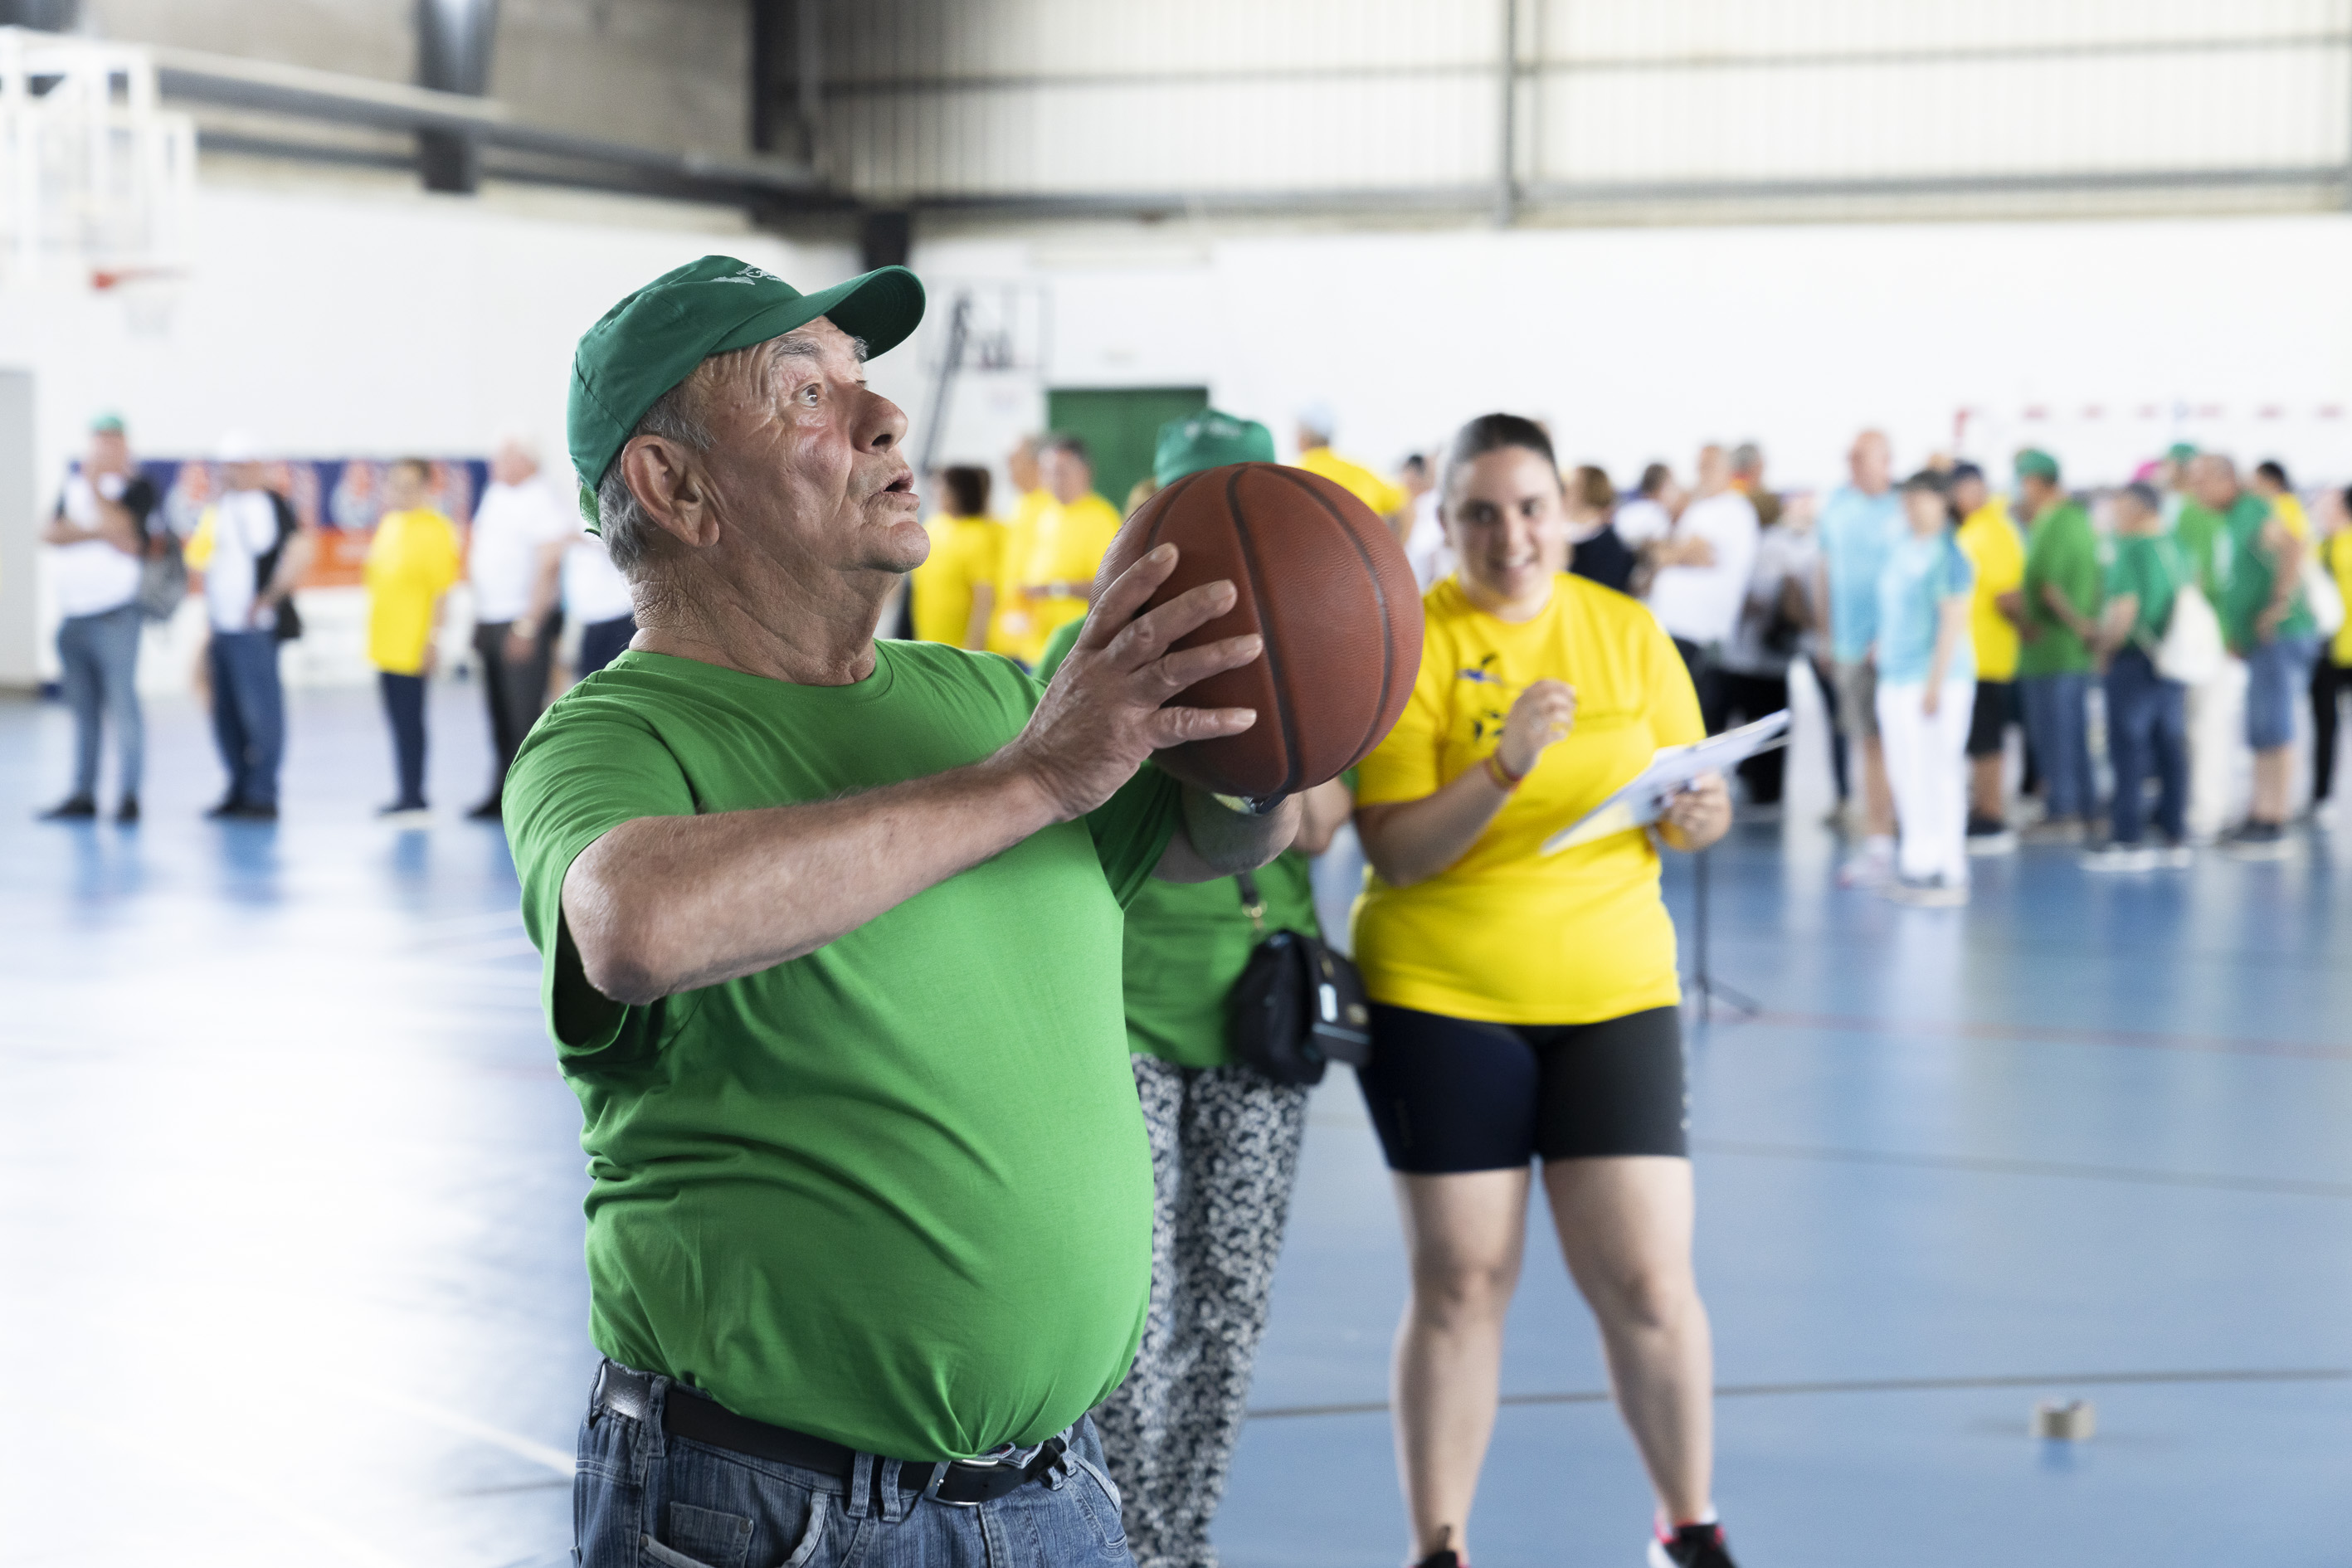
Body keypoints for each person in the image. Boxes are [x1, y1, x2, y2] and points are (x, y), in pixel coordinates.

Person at [509, 255, 1298, 1568]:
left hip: (1054, 1493)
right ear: (675, 485)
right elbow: (632, 924)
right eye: (804, 394)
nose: (882, 420)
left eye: (866, 385)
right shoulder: (611, 740)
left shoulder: (989, 698)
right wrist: (1031, 778)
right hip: (774, 1509)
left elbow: (1219, 836)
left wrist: (1274, 707)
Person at [1350, 413, 1739, 1568]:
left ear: (1564, 511)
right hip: (1443, 990)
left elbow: (1684, 793)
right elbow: (1398, 848)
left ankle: (1689, 1521)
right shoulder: (1410, 642)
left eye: (1529, 507)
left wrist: (1699, 817)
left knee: (1648, 1278)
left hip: (1614, 993)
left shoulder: (1624, 631)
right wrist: (1503, 761)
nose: (1509, 534)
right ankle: (1439, 1544)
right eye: (1479, 511)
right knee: (1462, 1278)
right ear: (1446, 521)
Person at [1028, 407, 1354, 1568]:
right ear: (1151, 521)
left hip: (1253, 1009)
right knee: (1130, 1310)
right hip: (1116, 1013)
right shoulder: (1079, 652)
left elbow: (1319, 831)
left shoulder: (1315, 636)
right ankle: (1119, 1539)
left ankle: (1181, 1539)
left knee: (1226, 1307)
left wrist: (1285, 726)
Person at [2196, 455, 2320, 857]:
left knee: (2276, 725)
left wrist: (2279, 604)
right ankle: (2259, 812)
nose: (2196, 491)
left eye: (2202, 482)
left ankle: (2274, 820)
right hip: (2259, 641)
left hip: (2280, 636)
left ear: (2224, 479)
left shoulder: (2251, 510)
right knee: (2261, 727)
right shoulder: (2233, 518)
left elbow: (2292, 545)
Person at [38, 413, 158, 824]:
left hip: (115, 615)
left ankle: (128, 795)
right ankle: (83, 793)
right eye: (99, 440)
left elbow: (126, 529)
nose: (105, 448)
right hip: (75, 615)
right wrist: (101, 532)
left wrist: (94, 496)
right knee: (83, 710)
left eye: (113, 440)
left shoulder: (138, 488)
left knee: (123, 705)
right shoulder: (70, 486)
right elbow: (50, 533)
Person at [186, 434, 310, 821]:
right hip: (222, 626)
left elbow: (299, 551)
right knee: (226, 712)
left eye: (239, 466)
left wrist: (267, 599)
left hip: (254, 628)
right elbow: (206, 562)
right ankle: (238, 785)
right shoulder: (221, 507)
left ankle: (262, 792)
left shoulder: (270, 505)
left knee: (262, 712)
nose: (232, 474)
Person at [1870, 470, 1977, 904]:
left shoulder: (1950, 554)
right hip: (1895, 677)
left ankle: (1947, 867)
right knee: (1905, 771)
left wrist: (1934, 684)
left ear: (1941, 502)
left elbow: (1952, 623)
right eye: (1907, 501)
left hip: (1936, 682)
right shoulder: (1901, 548)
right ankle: (1918, 861)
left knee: (1938, 771)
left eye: (1921, 500)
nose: (1912, 509)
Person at [2083, 482, 2192, 871]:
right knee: (2170, 745)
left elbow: (2124, 609)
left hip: (2134, 659)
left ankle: (2127, 837)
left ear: (2136, 509)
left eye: (2119, 507)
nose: (2113, 515)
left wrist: (2104, 649)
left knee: (2127, 748)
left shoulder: (2130, 550)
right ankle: (2174, 831)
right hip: (2172, 658)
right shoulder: (2176, 546)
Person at [467, 436, 575, 818]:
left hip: (521, 620)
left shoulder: (540, 499)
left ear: (525, 462)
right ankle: (500, 791)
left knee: (523, 713)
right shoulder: (495, 496)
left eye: (504, 458)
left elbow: (548, 567)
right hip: (491, 616)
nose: (495, 464)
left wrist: (529, 625)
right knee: (496, 711)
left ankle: (530, 796)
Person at [1814, 430, 1902, 884]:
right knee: (1868, 743)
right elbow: (1825, 572)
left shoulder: (1902, 510)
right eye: (1850, 458)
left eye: (1862, 458)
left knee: (1897, 745)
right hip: (1849, 647)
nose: (1853, 465)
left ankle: (1898, 837)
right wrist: (1826, 637)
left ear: (1886, 461)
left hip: (1897, 651)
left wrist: (1891, 636)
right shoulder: (1836, 508)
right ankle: (1880, 841)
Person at [364, 459, 464, 821]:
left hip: (413, 642)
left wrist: (433, 639)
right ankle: (404, 788)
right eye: (395, 485)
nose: (401, 492)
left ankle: (414, 793)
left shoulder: (435, 529)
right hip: (385, 642)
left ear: (426, 488)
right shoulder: (390, 524)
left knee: (410, 720)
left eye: (409, 485)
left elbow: (441, 591)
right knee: (395, 719)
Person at [1715, 455, 1814, 810]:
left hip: (1754, 653)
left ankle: (1756, 784)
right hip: (1767, 656)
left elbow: (1758, 598)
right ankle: (1765, 788)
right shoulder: (1784, 545)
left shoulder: (1765, 546)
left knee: (1750, 725)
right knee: (1769, 726)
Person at [2013, 449, 2101, 845]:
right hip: (2069, 651)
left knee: (2056, 734)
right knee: (2073, 732)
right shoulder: (2079, 523)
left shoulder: (2054, 526)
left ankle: (2063, 809)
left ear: (2034, 483)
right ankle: (2083, 807)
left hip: (2052, 649)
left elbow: (2048, 589)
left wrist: (2079, 625)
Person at [1647, 443, 1760, 728]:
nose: (1700, 473)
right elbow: (1669, 551)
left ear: (1727, 470)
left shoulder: (1736, 510)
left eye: (1707, 466)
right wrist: (1677, 551)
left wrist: (1672, 552)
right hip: (1671, 629)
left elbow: (1698, 554)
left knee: (1690, 721)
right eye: (1698, 466)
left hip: (1699, 634)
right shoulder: (1699, 509)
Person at [1950, 461, 2025, 854]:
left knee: (1987, 740)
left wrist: (2025, 629)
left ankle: (1991, 814)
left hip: (1987, 655)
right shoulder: (1976, 530)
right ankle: (1982, 807)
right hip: (1972, 655)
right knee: (1979, 739)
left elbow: (2007, 595)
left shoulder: (1991, 531)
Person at [2173, 453, 2240, 841]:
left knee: (2210, 725)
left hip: (2213, 638)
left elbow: (2198, 577)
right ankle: (2205, 806)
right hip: (2207, 637)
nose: (2196, 486)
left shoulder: (2216, 518)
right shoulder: (2192, 516)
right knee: (2203, 725)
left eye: (2204, 479)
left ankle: (2207, 811)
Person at [1007, 433, 1121, 665]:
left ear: (1084, 472)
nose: (1052, 480)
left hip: (1074, 650)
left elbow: (1111, 586)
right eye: (1047, 472)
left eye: (1061, 472)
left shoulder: (1101, 518)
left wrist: (1054, 589)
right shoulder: (1042, 512)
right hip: (1034, 648)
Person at [910, 465, 1001, 648]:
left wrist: (973, 650)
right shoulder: (934, 525)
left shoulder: (979, 535)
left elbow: (984, 600)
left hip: (961, 648)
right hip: (927, 639)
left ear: (961, 493)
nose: (937, 494)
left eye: (943, 489)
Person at [1293, 402, 1412, 542]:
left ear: (1303, 438)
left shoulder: (1294, 476)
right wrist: (1396, 552)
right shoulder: (1361, 471)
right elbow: (1406, 507)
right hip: (1364, 560)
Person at [987, 434, 1053, 659]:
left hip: (1039, 643)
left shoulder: (1052, 507)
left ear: (1036, 464)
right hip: (1012, 638)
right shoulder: (1022, 504)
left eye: (1014, 460)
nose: (1008, 467)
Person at [2310, 486, 2352, 824]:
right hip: (2328, 651)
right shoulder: (2323, 545)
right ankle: (2321, 795)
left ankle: (2322, 796)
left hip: (2338, 649)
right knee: (2325, 727)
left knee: (2326, 727)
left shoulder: (2337, 548)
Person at [563, 514, 639, 678]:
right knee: (591, 681)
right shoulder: (581, 509)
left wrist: (583, 538)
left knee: (616, 680)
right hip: (590, 617)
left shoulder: (609, 504)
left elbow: (625, 546)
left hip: (616, 612)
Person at [1566, 464, 1638, 595]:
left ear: (1588, 492)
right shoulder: (1571, 538)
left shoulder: (1609, 550)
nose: (1565, 491)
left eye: (1573, 486)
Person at [2252, 460, 2310, 541]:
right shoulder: (2287, 503)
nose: (2253, 487)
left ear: (2272, 481)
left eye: (2257, 481)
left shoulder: (2285, 505)